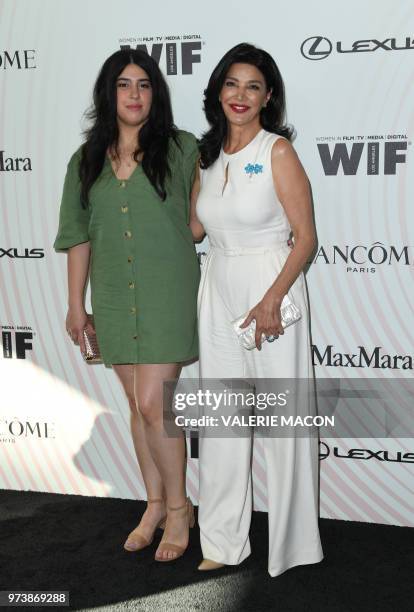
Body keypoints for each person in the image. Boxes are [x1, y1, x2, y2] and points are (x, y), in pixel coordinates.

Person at [54, 49, 199, 562]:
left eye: (144, 85)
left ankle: (180, 508)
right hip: (113, 294)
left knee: (154, 405)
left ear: (155, 94)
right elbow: (77, 237)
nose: (134, 94)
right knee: (138, 410)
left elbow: (204, 216)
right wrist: (77, 305)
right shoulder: (86, 158)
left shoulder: (182, 149)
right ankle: (154, 503)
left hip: (166, 291)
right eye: (123, 85)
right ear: (108, 93)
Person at [190, 43, 324, 576]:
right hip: (217, 285)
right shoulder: (206, 156)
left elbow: (307, 238)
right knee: (222, 424)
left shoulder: (278, 152)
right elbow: (195, 229)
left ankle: (294, 547)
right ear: (217, 92)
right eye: (231, 84)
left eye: (252, 86)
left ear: (268, 96)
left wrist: (273, 298)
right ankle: (222, 542)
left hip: (271, 288)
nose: (239, 95)